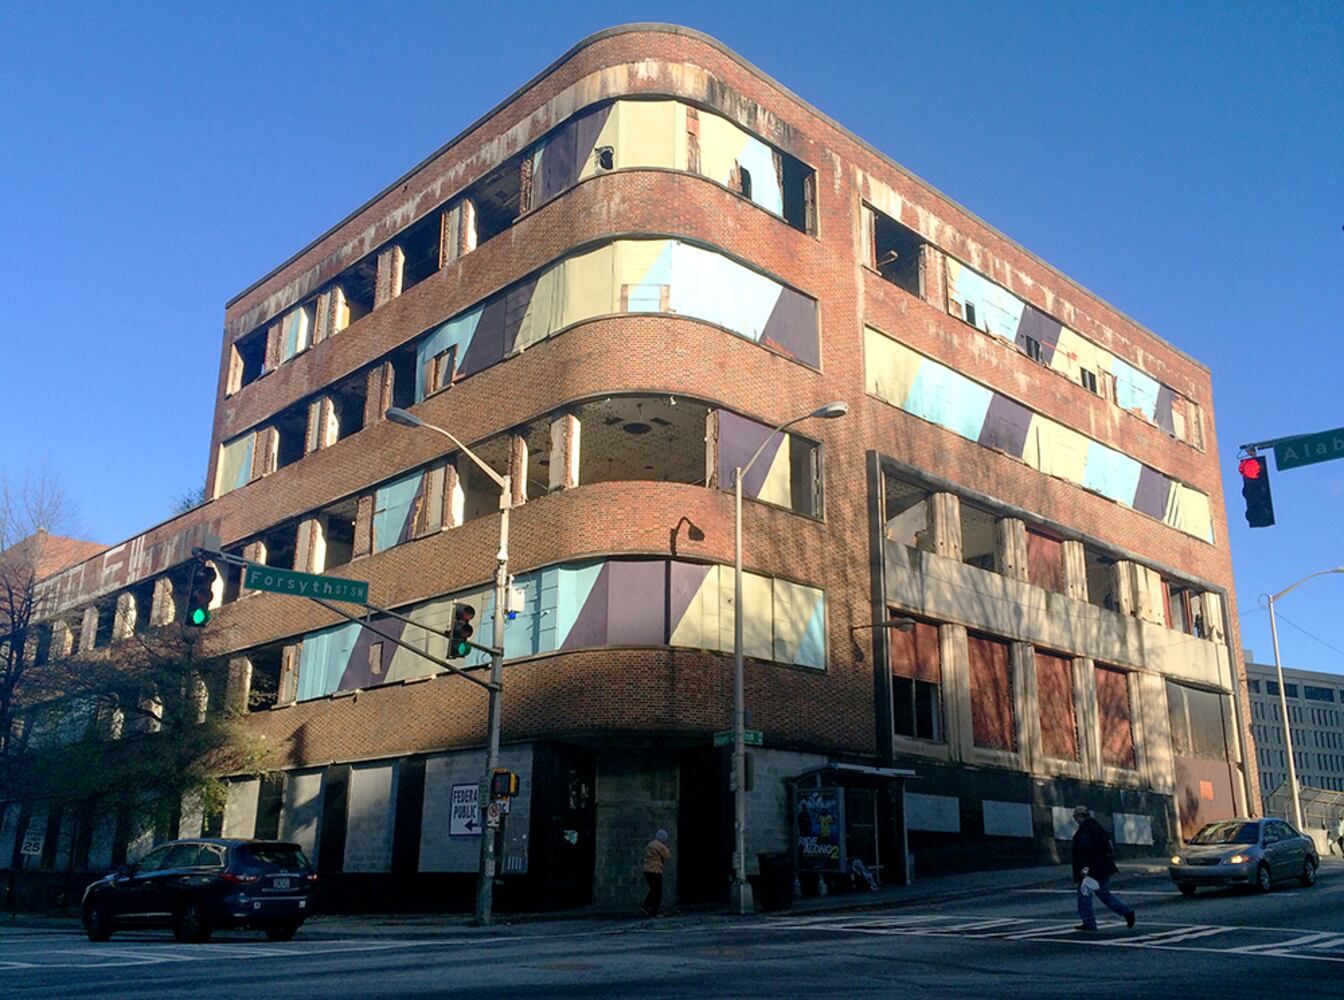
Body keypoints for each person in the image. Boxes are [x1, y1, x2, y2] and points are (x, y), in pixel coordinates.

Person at [1071, 805, 1135, 932]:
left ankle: (1090, 923)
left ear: (1080, 816)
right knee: (1102, 894)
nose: (1075, 820)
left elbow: (1085, 852)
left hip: (1092, 870)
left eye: (1075, 816)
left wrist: (1084, 871)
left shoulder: (1086, 831)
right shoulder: (1096, 827)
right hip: (1101, 868)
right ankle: (1125, 912)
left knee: (1085, 897)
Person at [641, 829, 671, 917]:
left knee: (653, 890)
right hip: (655, 870)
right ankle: (652, 910)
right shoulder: (660, 846)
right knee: (657, 892)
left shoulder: (650, 844)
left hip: (647, 870)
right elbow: (667, 856)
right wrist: (666, 848)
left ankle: (646, 907)